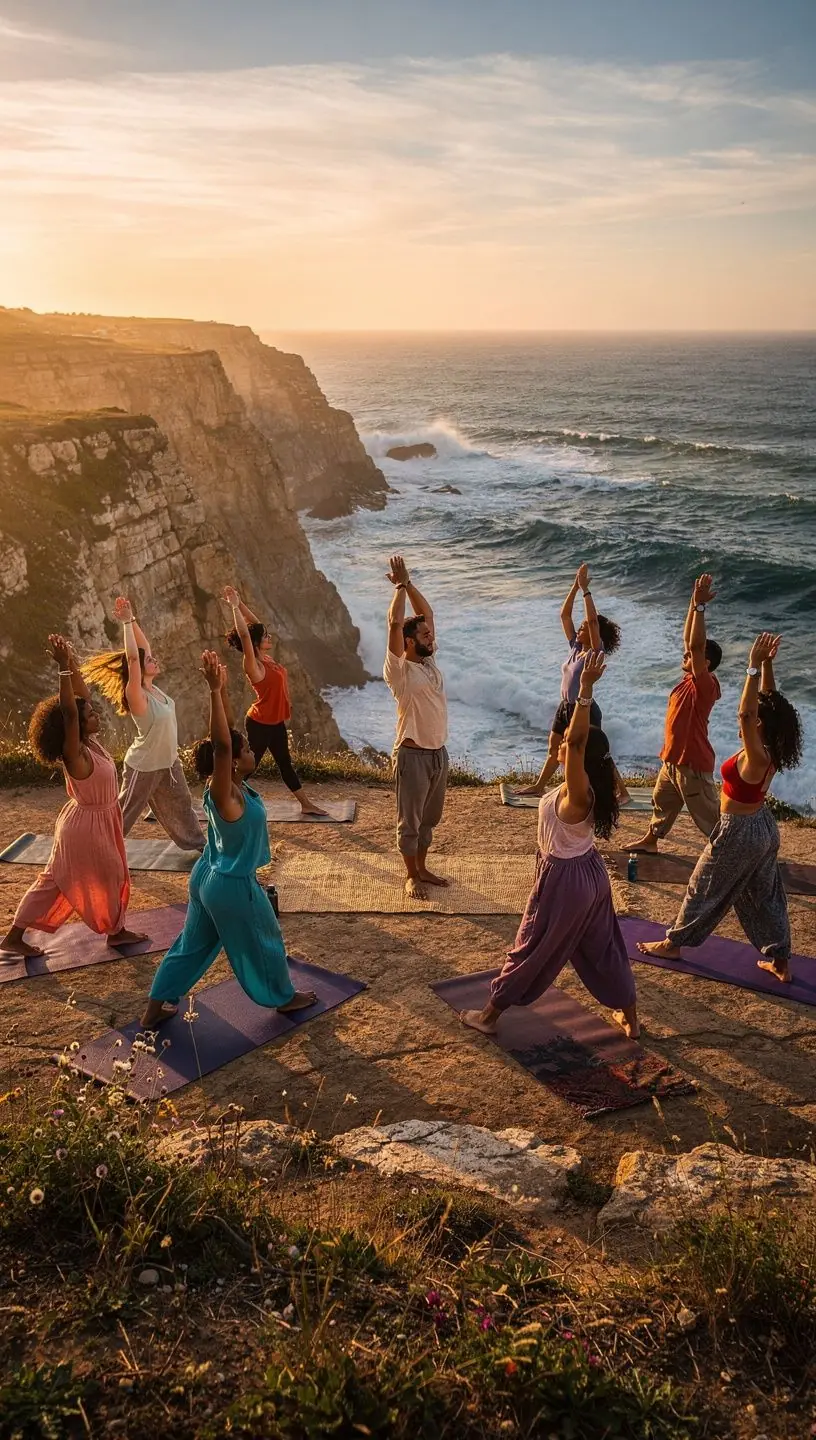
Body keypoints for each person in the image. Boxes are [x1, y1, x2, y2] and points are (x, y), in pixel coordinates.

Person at [460, 650, 639, 1038]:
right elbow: (579, 743)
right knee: (605, 947)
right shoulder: (597, 786)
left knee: (531, 948)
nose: (559, 742)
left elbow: (574, 743)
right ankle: (632, 1019)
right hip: (590, 872)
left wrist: (586, 691)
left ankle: (489, 1016)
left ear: (580, 757)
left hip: (565, 879)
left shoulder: (579, 792)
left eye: (569, 743)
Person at [140, 652, 318, 1027]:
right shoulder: (228, 794)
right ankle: (283, 998)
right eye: (248, 750)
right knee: (265, 939)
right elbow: (223, 746)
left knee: (191, 946)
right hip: (232, 884)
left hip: (208, 874)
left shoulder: (228, 787)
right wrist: (213, 689)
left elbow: (227, 738)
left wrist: (221, 696)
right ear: (234, 762)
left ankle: (154, 1009)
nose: (253, 751)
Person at [638, 633, 803, 985]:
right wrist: (768, 665)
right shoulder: (772, 745)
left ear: (759, 723)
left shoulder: (757, 753)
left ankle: (673, 943)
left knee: (703, 886)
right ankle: (781, 960)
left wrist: (753, 667)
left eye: (756, 716)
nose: (749, 717)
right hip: (762, 828)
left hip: (738, 830)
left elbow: (746, 711)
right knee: (765, 894)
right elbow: (765, 704)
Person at [1, 635, 147, 959]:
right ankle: (114, 931)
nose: (96, 715)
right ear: (76, 725)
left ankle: (115, 931)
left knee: (78, 876)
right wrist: (62, 671)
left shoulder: (89, 743)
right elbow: (70, 711)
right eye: (90, 715)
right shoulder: (75, 752)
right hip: (85, 826)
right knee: (101, 874)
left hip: (96, 818)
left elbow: (80, 701)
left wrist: (72, 663)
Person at [83, 597, 204, 852]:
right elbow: (134, 658)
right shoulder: (136, 694)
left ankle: (201, 846)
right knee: (126, 813)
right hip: (144, 766)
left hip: (169, 762)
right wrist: (126, 623)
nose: (154, 659)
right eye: (149, 660)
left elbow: (143, 648)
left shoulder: (156, 690)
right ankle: (100, 849)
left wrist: (134, 619)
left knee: (183, 805)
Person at [516, 564, 627, 801]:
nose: (580, 628)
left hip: (584, 708)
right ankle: (538, 786)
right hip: (565, 706)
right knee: (554, 749)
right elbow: (564, 615)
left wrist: (587, 591)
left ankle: (623, 792)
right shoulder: (576, 648)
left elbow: (594, 623)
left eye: (584, 627)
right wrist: (575, 587)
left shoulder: (595, 653)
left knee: (597, 754)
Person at [630, 574, 722, 853]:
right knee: (662, 803)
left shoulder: (705, 685)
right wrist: (694, 604)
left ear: (704, 663)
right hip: (672, 760)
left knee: (711, 819)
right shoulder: (687, 680)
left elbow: (694, 646)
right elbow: (689, 640)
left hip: (692, 765)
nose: (685, 655)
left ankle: (737, 854)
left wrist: (703, 609)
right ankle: (651, 841)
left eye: (693, 656)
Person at [222, 585, 325, 815]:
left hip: (275, 721)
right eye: (266, 637)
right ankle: (224, 795)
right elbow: (247, 634)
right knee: (250, 765)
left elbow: (255, 627)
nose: (269, 637)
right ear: (257, 643)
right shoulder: (253, 665)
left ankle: (306, 805)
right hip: (259, 723)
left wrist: (239, 603)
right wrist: (233, 607)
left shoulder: (265, 659)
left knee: (284, 763)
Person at [383, 554, 449, 900]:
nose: (430, 636)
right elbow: (394, 625)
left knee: (428, 821)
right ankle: (410, 876)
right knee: (409, 823)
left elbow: (429, 614)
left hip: (438, 753)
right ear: (410, 641)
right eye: (424, 634)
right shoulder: (400, 672)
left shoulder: (428, 660)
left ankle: (422, 868)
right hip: (412, 755)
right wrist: (397, 589)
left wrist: (409, 584)